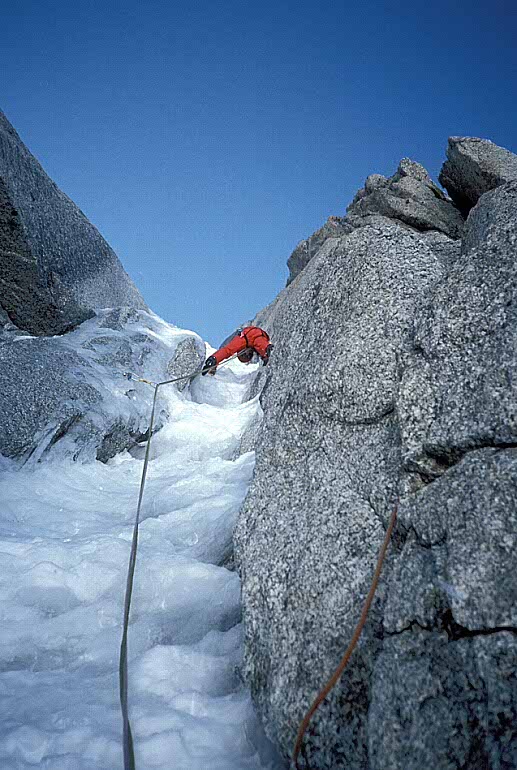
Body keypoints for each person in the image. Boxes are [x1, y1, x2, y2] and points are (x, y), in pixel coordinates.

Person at [202, 325, 273, 376]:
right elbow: (259, 344)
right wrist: (265, 354)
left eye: (246, 354)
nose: (248, 353)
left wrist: (214, 359)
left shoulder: (242, 341)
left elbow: (227, 351)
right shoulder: (246, 343)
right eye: (248, 355)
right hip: (257, 335)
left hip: (253, 333)